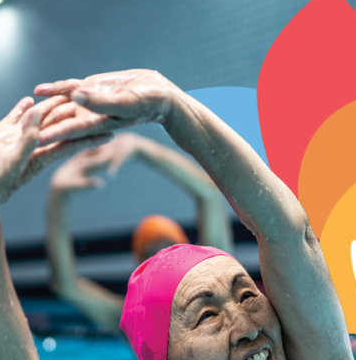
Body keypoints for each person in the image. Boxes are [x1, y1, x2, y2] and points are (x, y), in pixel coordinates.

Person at [0, 69, 356, 360]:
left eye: (247, 294)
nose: (247, 326)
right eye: (207, 315)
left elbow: (289, 233)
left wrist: (176, 109)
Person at [46, 133, 233, 333]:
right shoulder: (138, 325)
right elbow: (66, 285)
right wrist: (58, 195)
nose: (161, 258)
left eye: (169, 247)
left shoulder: (212, 281)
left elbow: (209, 195)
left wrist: (143, 149)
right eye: (151, 253)